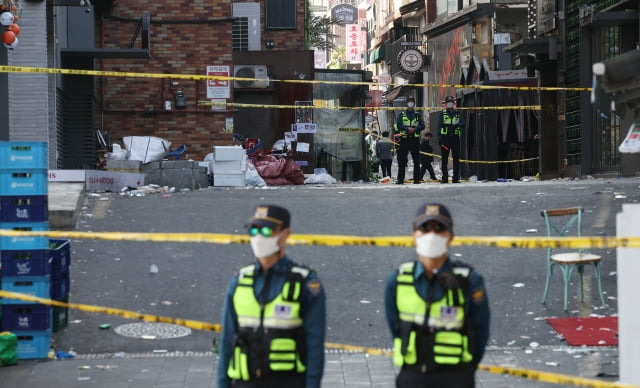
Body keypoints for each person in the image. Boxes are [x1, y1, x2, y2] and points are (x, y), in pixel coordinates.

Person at [218, 205, 326, 388]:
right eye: (254, 230)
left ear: (285, 234)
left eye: (267, 230)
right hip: (245, 382)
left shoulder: (305, 283)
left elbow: (314, 344)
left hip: (288, 382)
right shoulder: (239, 282)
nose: (259, 237)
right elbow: (227, 340)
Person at [384, 203, 490, 388]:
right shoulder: (398, 280)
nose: (431, 235)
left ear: (450, 237)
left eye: (439, 228)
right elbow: (396, 330)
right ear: (414, 235)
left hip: (456, 377)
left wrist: (465, 373)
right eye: (424, 228)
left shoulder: (469, 281)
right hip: (412, 376)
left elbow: (480, 334)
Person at [395, 96, 424, 184]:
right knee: (402, 161)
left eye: (412, 101)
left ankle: (416, 179)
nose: (410, 103)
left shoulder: (418, 115)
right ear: (406, 103)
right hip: (404, 140)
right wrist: (407, 129)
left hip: (414, 140)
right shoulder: (402, 114)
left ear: (414, 103)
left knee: (416, 160)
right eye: (409, 101)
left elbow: (422, 126)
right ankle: (400, 180)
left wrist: (415, 129)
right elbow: (399, 125)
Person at [438, 96, 464, 184]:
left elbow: (463, 123)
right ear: (446, 103)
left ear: (453, 103)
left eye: (451, 102)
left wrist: (458, 125)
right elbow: (439, 126)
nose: (450, 103)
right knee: (444, 159)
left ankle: (455, 178)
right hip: (445, 139)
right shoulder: (443, 114)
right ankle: (445, 178)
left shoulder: (458, 113)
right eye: (448, 102)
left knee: (456, 159)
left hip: (455, 138)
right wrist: (439, 138)